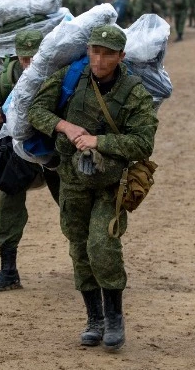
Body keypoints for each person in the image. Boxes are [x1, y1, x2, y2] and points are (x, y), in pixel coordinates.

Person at [28, 25, 158, 351]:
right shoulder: (72, 78)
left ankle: (114, 318)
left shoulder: (133, 93)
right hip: (72, 181)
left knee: (102, 246)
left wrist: (99, 141)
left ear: (121, 56)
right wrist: (65, 126)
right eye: (94, 52)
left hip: (110, 184)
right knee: (79, 246)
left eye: (107, 54)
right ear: (87, 51)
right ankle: (94, 318)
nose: (99, 60)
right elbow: (36, 110)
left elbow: (143, 143)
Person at [0, 30, 60, 292]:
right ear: (18, 57)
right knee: (9, 204)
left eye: (34, 58)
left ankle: (87, 265)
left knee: (72, 205)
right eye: (24, 59)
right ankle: (8, 271)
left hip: (54, 151)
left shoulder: (58, 72)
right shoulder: (9, 77)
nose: (29, 64)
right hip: (18, 154)